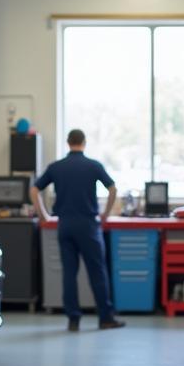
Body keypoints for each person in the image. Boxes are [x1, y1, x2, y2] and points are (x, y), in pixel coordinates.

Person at [30, 129, 125, 331]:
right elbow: (113, 189)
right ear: (84, 142)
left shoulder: (56, 167)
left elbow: (34, 189)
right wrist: (105, 214)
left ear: (68, 142)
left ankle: (73, 319)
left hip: (65, 225)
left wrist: (43, 215)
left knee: (69, 274)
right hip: (88, 226)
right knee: (97, 272)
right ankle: (105, 318)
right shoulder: (93, 166)